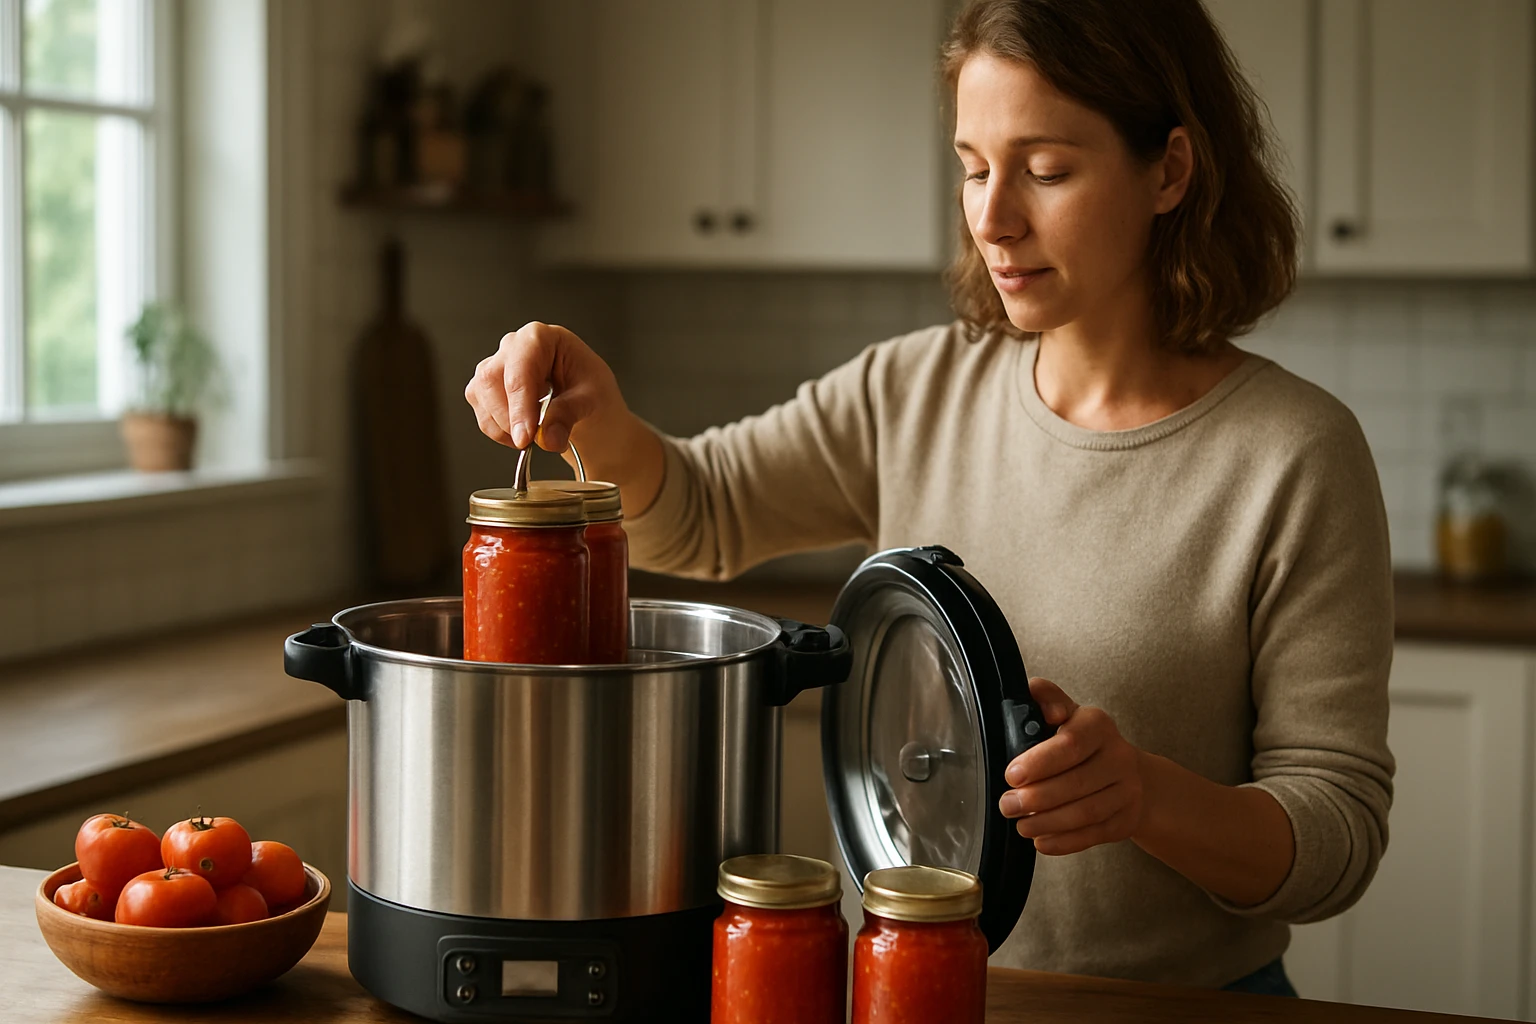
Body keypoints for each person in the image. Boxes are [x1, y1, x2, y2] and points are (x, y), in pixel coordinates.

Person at [463, 0, 1393, 997]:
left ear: (1169, 169)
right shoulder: (911, 390)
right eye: (973, 166)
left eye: (1045, 170)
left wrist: (1147, 798)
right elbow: (705, 506)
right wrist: (596, 419)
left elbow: (1336, 830)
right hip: (912, 993)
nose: (993, 217)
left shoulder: (1294, 453)